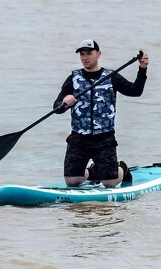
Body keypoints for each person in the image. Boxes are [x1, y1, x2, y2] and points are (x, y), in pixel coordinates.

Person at [55, 39, 149, 188]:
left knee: (110, 183)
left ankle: (122, 169)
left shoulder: (111, 77)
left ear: (98, 54)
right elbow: (57, 108)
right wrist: (64, 103)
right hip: (78, 138)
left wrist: (142, 69)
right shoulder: (74, 78)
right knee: (72, 182)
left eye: (89, 53)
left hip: (104, 139)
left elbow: (135, 91)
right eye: (82, 54)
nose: (85, 58)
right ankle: (92, 173)